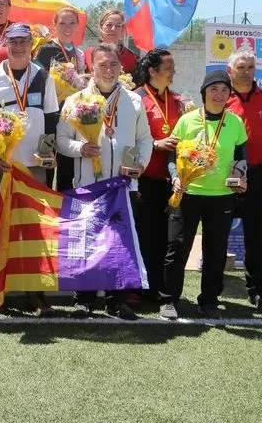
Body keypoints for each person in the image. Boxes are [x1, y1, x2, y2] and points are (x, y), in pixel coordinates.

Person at [56, 43, 152, 319]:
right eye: (102, 64)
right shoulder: (75, 101)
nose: (108, 70)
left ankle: (116, 300)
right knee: (87, 240)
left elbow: (145, 139)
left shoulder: (134, 101)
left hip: (122, 184)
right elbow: (62, 140)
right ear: (91, 68)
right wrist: (80, 150)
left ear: (121, 68)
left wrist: (140, 164)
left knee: (119, 243)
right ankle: (83, 300)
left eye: (113, 65)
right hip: (88, 184)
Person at [0, 22, 59, 317]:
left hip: (33, 167)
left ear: (32, 44)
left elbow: (51, 120)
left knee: (35, 232)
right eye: (13, 41)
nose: (19, 46)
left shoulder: (44, 77)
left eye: (24, 41)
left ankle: (35, 295)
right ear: (5, 44)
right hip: (0, 168)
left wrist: (48, 154)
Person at [160, 70, 248, 320]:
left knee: (216, 251)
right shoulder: (187, 121)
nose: (219, 95)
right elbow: (171, 156)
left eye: (224, 90)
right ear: (204, 93)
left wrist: (241, 178)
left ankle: (209, 301)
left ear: (229, 95)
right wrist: (175, 178)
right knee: (177, 247)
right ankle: (169, 299)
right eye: (214, 89)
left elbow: (242, 157)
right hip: (188, 194)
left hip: (222, 195)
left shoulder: (235, 122)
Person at [225, 46, 262, 311]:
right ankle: (211, 292)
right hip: (223, 177)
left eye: (250, 68)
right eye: (241, 68)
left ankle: (258, 290)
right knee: (216, 235)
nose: (246, 73)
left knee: (254, 238)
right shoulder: (219, 97)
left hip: (258, 175)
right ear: (230, 71)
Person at [133, 48, 186, 303]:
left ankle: (158, 288)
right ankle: (139, 288)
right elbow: (128, 138)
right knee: (144, 234)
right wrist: (155, 144)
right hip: (143, 178)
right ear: (153, 71)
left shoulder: (177, 100)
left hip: (172, 180)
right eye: (169, 68)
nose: (174, 71)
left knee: (166, 237)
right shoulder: (135, 98)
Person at [35, 6, 85, 191]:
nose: (67, 27)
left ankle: (64, 207)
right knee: (47, 160)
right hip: (49, 114)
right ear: (54, 25)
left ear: (78, 25)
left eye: (72, 23)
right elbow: (37, 79)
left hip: (71, 116)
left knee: (67, 164)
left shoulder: (79, 54)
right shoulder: (45, 49)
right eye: (62, 23)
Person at [85, 9, 138, 74]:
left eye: (118, 26)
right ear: (101, 27)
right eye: (109, 25)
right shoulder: (88, 54)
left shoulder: (131, 57)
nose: (113, 29)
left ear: (122, 30)